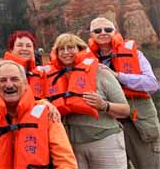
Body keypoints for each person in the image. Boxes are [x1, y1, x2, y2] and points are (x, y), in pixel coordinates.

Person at [0, 60, 77, 168]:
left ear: (25, 83)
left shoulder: (48, 114)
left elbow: (66, 162)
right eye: (3, 80)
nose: (9, 85)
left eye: (15, 79)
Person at [45, 33, 130, 168]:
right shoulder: (51, 78)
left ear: (81, 50)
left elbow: (126, 110)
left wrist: (104, 105)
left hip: (105, 141)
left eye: (71, 47)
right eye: (61, 49)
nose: (66, 52)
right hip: (73, 146)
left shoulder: (100, 72)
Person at [88, 17, 160, 168]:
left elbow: (152, 84)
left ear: (115, 32)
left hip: (139, 121)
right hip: (108, 124)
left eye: (108, 29)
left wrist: (118, 76)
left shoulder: (135, 54)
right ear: (91, 35)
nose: (103, 33)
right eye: (97, 30)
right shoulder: (87, 60)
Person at [3, 30, 47, 99]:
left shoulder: (41, 72)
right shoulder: (1, 72)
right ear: (11, 49)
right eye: (20, 45)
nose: (24, 49)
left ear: (33, 50)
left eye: (28, 46)